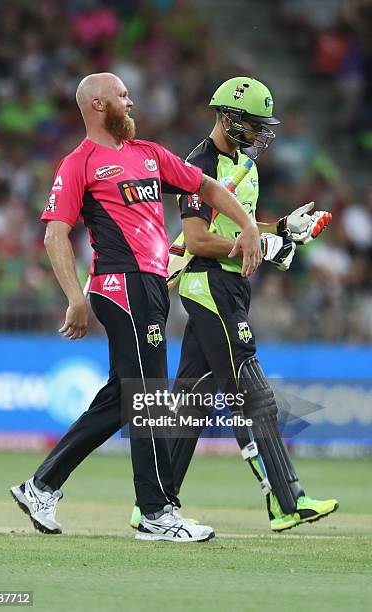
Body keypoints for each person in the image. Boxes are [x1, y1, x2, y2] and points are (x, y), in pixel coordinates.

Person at [10, 72, 263, 542]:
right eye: (124, 97)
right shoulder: (79, 163)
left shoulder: (148, 154)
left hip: (150, 286)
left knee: (124, 396)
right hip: (119, 286)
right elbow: (54, 234)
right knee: (148, 397)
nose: (132, 102)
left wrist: (247, 224)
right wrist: (74, 297)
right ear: (99, 104)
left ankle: (40, 485)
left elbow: (206, 187)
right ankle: (156, 512)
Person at [130, 76, 338, 533]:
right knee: (255, 392)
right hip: (210, 288)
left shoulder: (247, 165)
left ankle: (153, 502)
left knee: (192, 399)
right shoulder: (199, 164)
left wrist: (279, 230)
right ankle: (287, 500)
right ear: (227, 116)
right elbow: (201, 239)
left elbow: (238, 228)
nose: (262, 133)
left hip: (230, 287)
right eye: (253, 123)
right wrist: (257, 248)